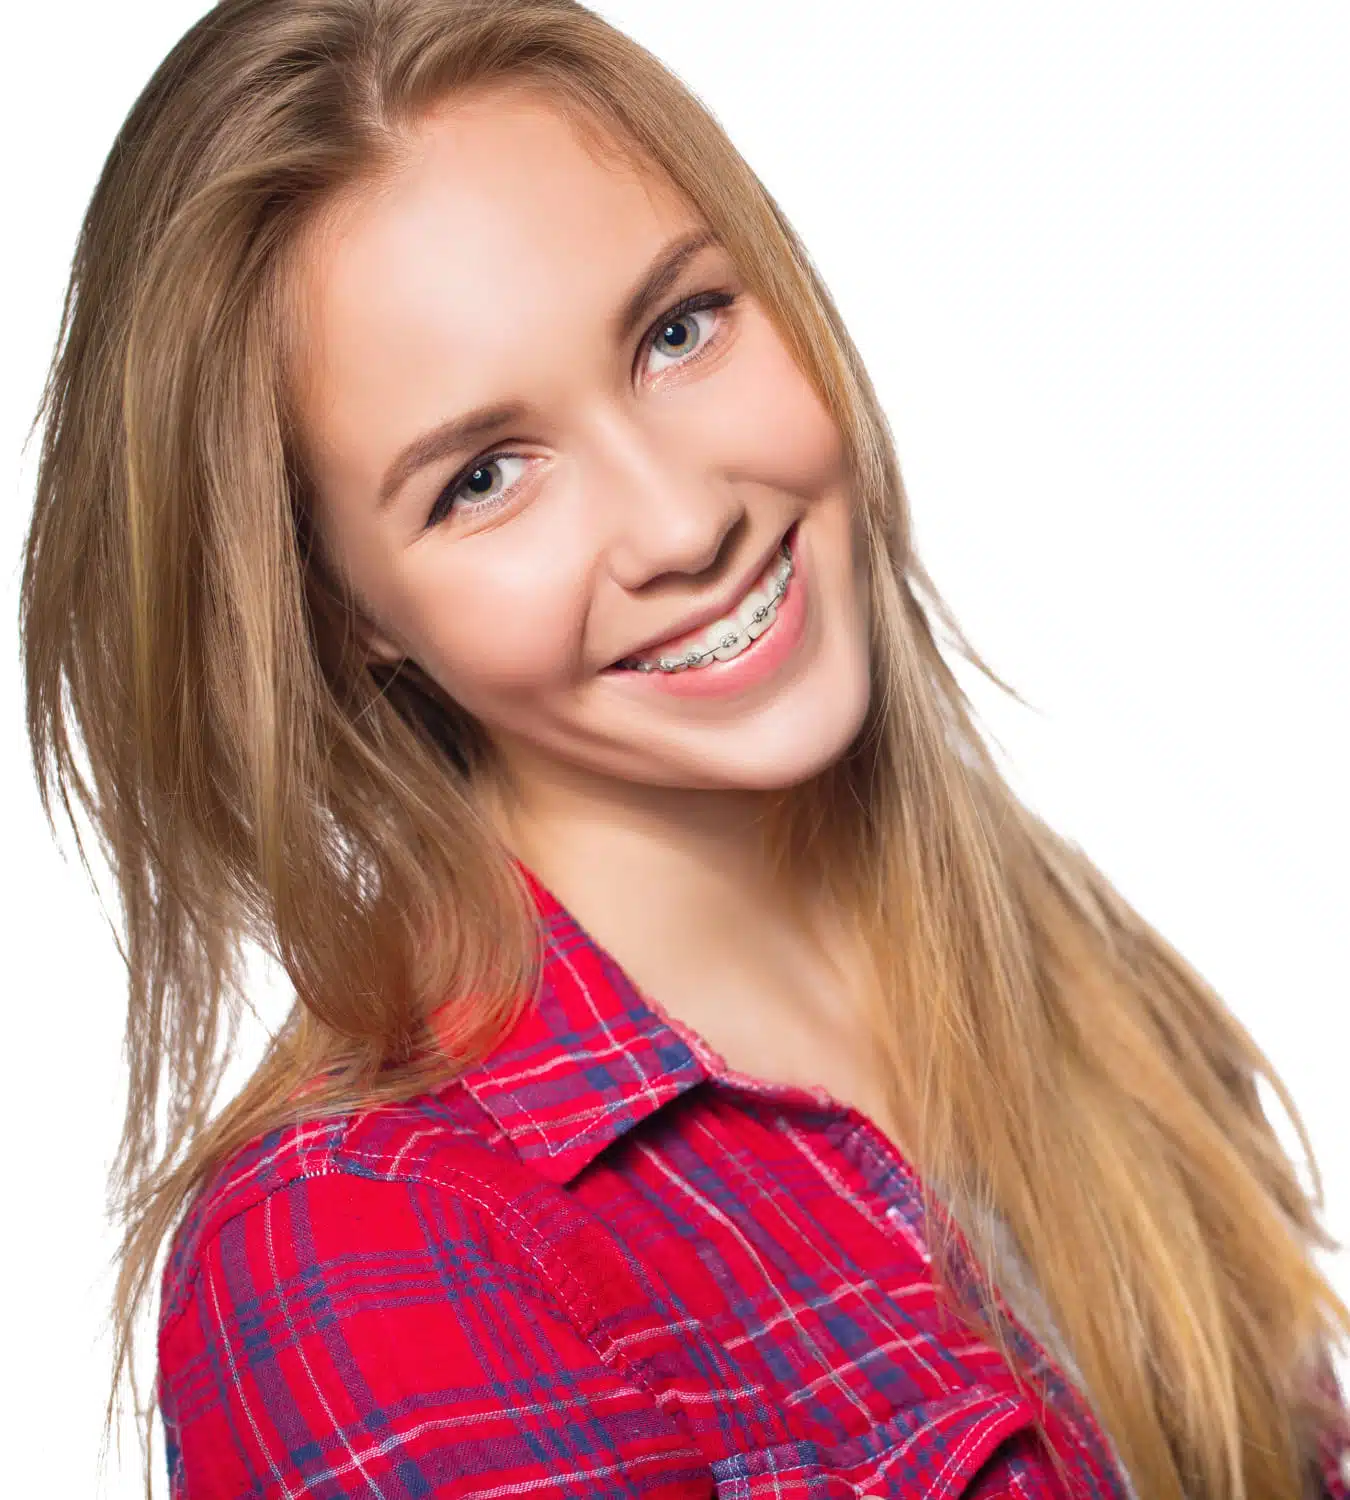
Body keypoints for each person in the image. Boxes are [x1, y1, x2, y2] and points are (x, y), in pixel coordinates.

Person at [19, 0, 1350, 1496]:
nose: (682, 521)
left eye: (677, 329)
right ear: (342, 615)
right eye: (482, 478)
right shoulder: (363, 1242)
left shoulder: (1065, 971)